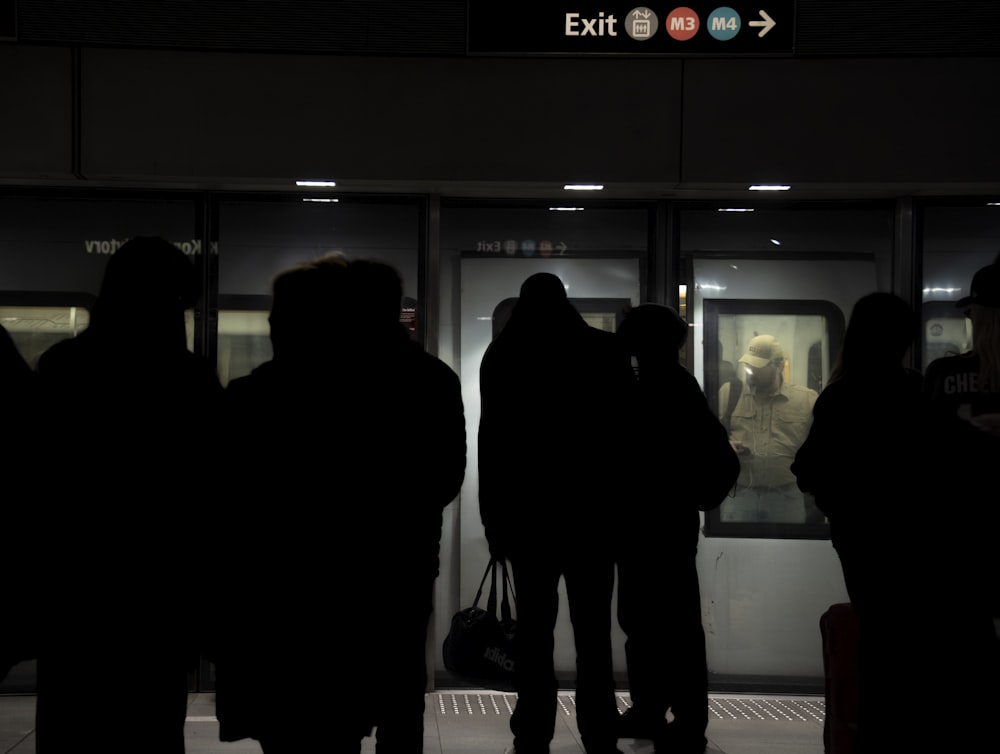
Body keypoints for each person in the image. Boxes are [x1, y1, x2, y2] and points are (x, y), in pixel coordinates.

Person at [212, 255, 466, 753]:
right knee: (398, 693)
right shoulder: (430, 379)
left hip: (287, 581)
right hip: (401, 562)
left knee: (310, 717)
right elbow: (444, 477)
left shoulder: (258, 395)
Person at [33, 236, 224, 754]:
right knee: (153, 728)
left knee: (70, 725)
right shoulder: (188, 379)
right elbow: (210, 494)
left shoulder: (63, 367)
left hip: (75, 590)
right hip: (158, 594)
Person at [792, 291, 999, 752]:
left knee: (882, 654)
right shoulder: (917, 391)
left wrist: (844, 508)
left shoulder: (841, 396)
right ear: (906, 340)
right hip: (925, 547)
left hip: (865, 546)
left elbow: (808, 468)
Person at [478, 272, 635, 754]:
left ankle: (533, 725)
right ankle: (599, 727)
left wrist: (493, 521)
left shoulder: (503, 356)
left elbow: (493, 444)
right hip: (594, 516)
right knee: (593, 631)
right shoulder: (606, 351)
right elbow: (627, 440)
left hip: (529, 518)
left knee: (534, 628)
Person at [613, 304, 738, 754]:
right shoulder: (674, 384)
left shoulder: (658, 386)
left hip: (652, 525)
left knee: (658, 624)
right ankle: (662, 711)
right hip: (665, 524)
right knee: (660, 623)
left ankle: (678, 717)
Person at [718, 334, 818, 524]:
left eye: (759, 366)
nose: (751, 371)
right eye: (748, 365)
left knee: (789, 552)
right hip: (741, 495)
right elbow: (704, 438)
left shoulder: (806, 400)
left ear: (779, 365)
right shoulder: (729, 393)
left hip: (787, 497)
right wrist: (726, 447)